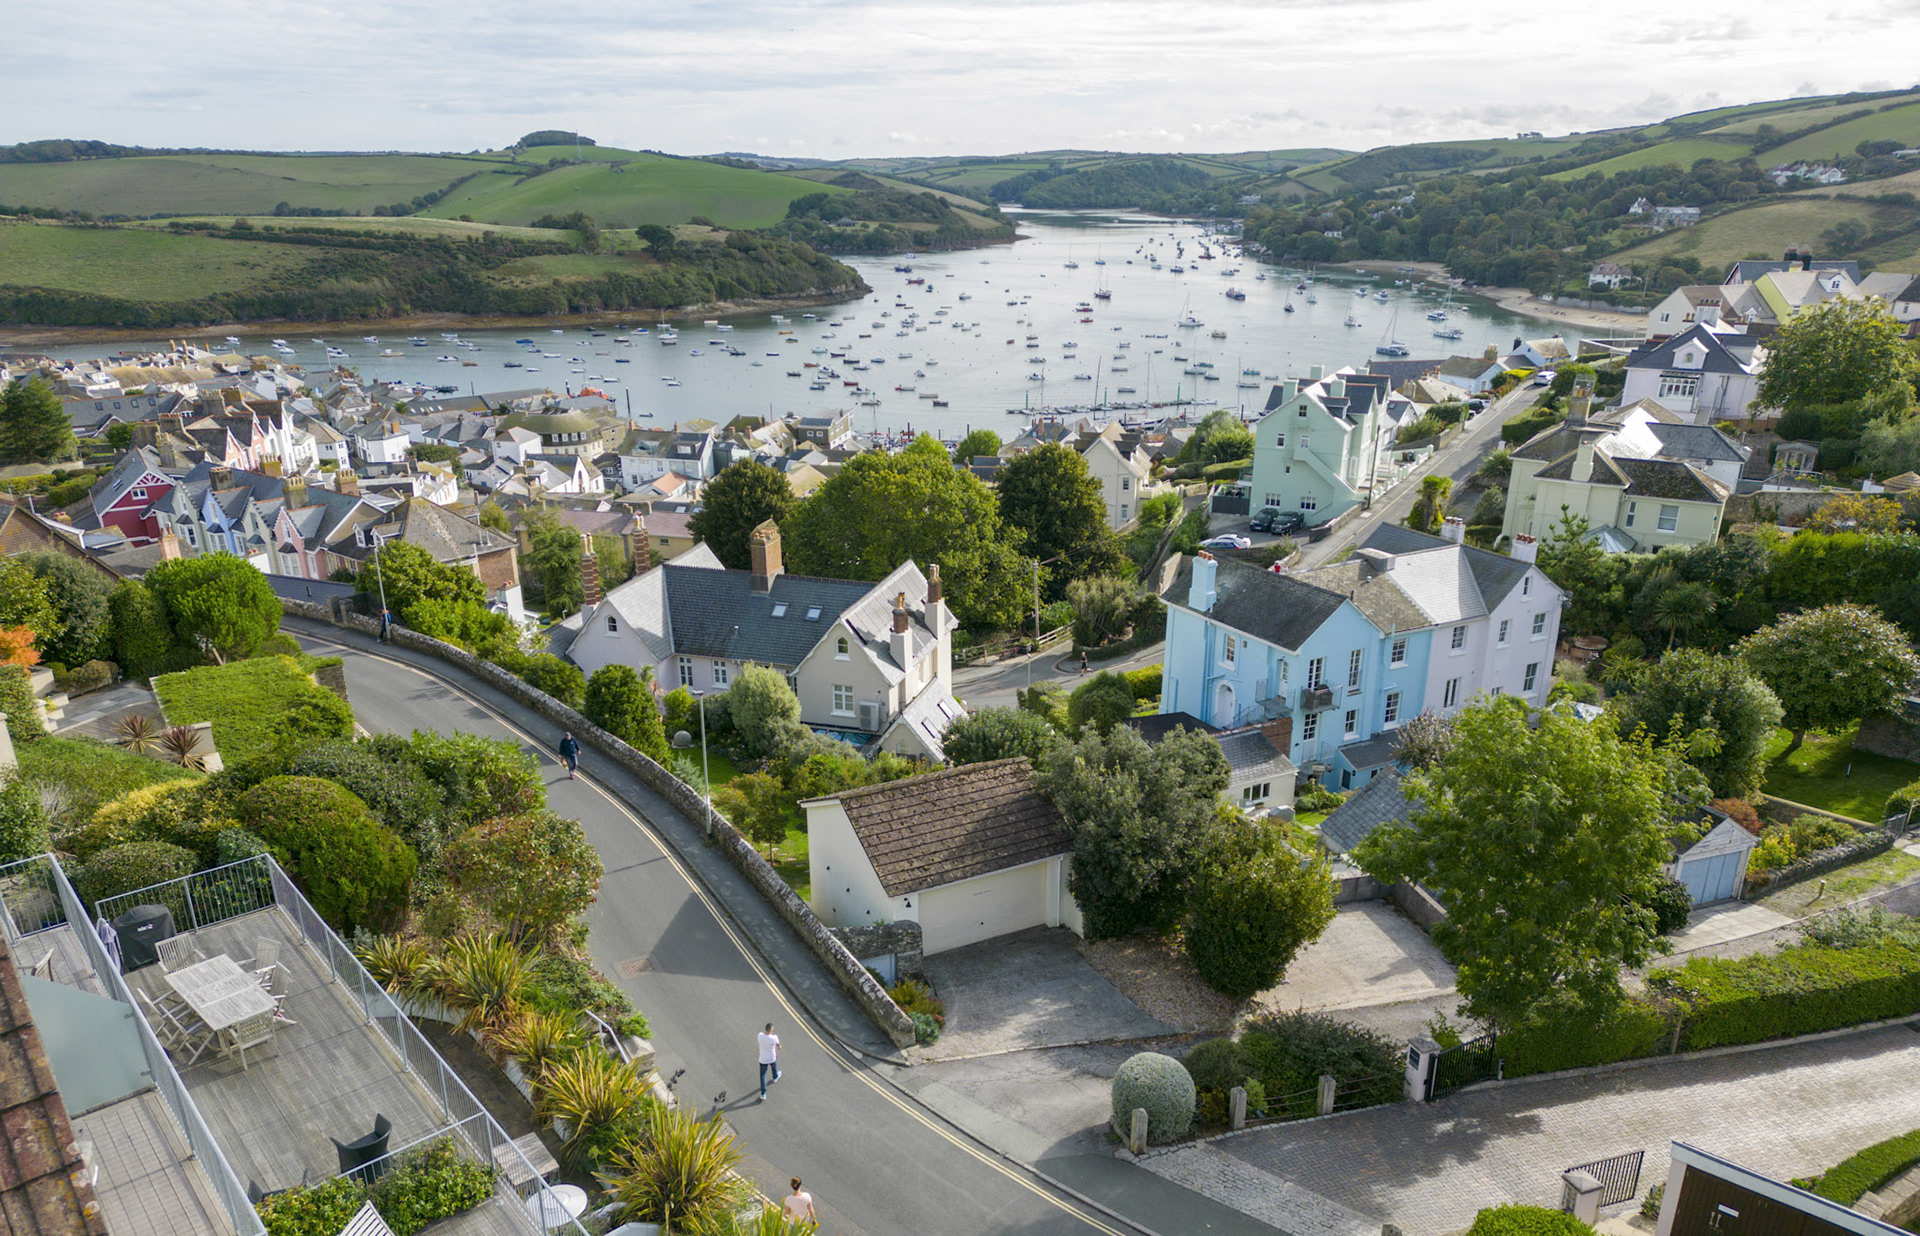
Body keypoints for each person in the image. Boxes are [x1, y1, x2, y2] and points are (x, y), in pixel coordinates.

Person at [757, 1022, 781, 1099]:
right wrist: (779, 1046)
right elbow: (778, 1045)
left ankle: (763, 1093)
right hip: (771, 1057)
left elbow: (761, 1035)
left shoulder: (760, 1036)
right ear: (771, 1030)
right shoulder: (774, 1038)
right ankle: (775, 1077)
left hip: (763, 1058)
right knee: (774, 1067)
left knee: (763, 1075)